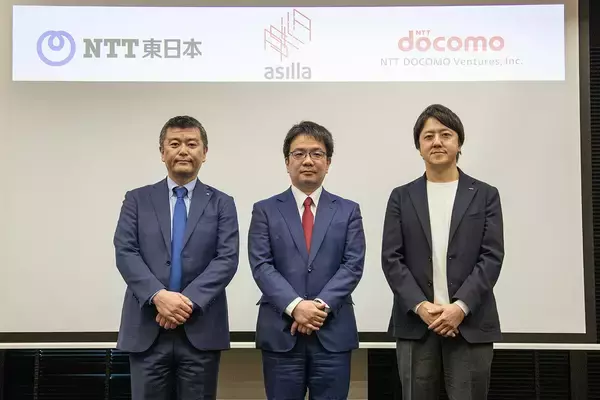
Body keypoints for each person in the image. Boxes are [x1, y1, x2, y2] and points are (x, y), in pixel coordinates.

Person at [381, 104, 504, 400]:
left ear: (459, 143)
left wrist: (459, 307)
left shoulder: (485, 195)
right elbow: (391, 259)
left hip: (469, 323)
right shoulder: (401, 197)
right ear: (419, 147)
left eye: (445, 134)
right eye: (428, 136)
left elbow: (491, 257)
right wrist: (421, 307)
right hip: (416, 324)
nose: (437, 142)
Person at [113, 115, 239, 400]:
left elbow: (226, 259)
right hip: (147, 328)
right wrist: (159, 297)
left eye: (192, 144)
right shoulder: (137, 199)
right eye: (175, 144)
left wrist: (184, 304)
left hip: (200, 330)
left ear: (204, 153)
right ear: (162, 152)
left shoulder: (222, 203)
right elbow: (125, 252)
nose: (183, 150)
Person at [248, 121, 366, 400]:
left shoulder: (348, 210)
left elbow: (352, 265)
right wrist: (296, 306)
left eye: (317, 153)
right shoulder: (265, 210)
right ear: (287, 162)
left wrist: (318, 307)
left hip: (332, 332)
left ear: (328, 162)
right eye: (299, 153)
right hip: (281, 333)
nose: (308, 161)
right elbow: (262, 265)